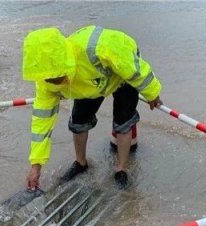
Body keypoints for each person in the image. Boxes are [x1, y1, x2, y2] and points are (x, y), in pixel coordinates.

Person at [22, 26, 162, 190]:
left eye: (57, 76)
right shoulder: (44, 80)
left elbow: (134, 70)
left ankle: (121, 168)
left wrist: (152, 93)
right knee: (78, 122)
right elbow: (42, 122)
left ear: (65, 61)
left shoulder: (98, 48)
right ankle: (81, 163)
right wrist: (36, 164)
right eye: (49, 78)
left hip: (121, 71)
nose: (54, 81)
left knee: (123, 121)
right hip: (88, 83)